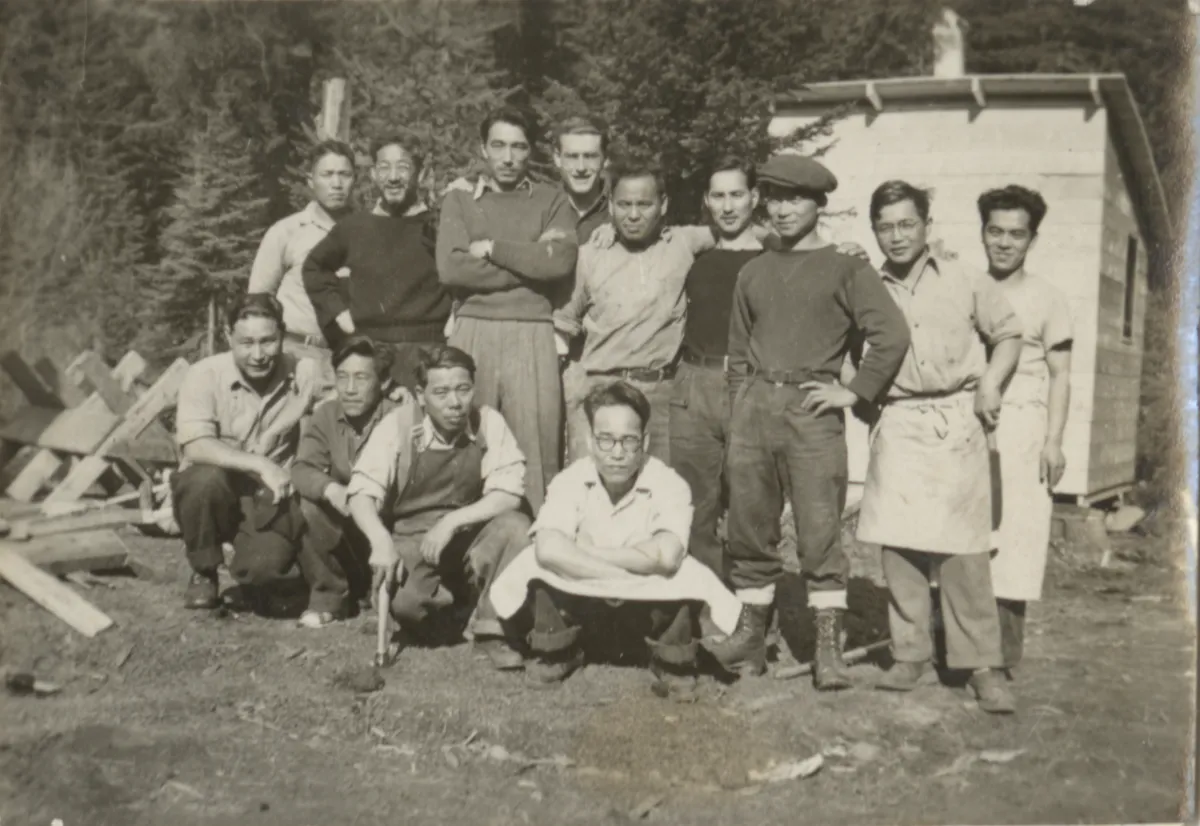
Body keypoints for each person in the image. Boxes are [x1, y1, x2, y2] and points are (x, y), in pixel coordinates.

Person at [705, 156, 911, 690]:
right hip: (754, 408)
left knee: (820, 534)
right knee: (750, 529)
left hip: (812, 411)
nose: (782, 208)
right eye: (772, 197)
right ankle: (752, 640)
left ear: (818, 204)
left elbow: (889, 332)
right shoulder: (753, 270)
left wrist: (853, 390)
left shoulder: (847, 267)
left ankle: (828, 649)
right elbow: (736, 350)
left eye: (795, 198)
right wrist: (740, 408)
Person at [857, 180, 1023, 714]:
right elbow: (845, 347)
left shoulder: (964, 277)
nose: (897, 235)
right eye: (886, 226)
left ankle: (981, 665)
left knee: (962, 550)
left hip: (957, 416)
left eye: (908, 223)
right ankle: (909, 654)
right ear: (875, 230)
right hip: (899, 418)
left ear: (927, 224)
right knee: (899, 545)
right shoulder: (864, 284)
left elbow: (1009, 336)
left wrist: (991, 385)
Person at [487, 381, 743, 699]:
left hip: (642, 597)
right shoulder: (570, 480)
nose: (617, 454)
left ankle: (672, 660)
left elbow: (666, 555)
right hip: (595, 592)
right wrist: (630, 561)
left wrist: (590, 554)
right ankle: (557, 650)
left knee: (684, 572)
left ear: (645, 441)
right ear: (589, 441)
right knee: (535, 561)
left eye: (629, 441)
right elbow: (549, 548)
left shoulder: (669, 483)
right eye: (606, 441)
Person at [347, 345, 532, 670]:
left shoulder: (488, 422)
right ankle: (459, 611)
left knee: (515, 526)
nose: (454, 403)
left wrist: (452, 522)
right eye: (441, 392)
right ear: (421, 395)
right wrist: (380, 542)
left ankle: (491, 630)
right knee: (409, 605)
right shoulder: (399, 426)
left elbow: (509, 493)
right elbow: (360, 493)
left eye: (463, 390)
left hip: (468, 533)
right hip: (412, 536)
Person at [437, 107, 578, 513]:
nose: (508, 157)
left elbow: (558, 263)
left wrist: (495, 251)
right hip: (472, 332)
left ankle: (535, 548)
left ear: (531, 151)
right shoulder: (460, 198)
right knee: (464, 439)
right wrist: (530, 270)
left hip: (531, 335)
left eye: (518, 147)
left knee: (534, 447)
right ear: (483, 148)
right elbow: (452, 268)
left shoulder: (551, 200)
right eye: (498, 145)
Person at [554, 161, 716, 465]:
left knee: (661, 489)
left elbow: (739, 231)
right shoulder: (590, 255)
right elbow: (562, 328)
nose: (632, 214)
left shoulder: (683, 243)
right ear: (611, 206)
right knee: (595, 489)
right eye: (624, 204)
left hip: (662, 394)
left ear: (663, 204)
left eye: (644, 204)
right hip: (600, 392)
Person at [171, 294, 322, 611]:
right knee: (202, 480)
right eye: (246, 342)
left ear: (282, 335)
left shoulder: (305, 371)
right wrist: (259, 463)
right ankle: (203, 569)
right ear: (227, 337)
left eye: (268, 341)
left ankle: (266, 557)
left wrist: (393, 391)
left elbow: (353, 388)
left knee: (264, 572)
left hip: (268, 497)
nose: (257, 354)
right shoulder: (204, 375)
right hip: (216, 491)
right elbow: (195, 445)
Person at [976, 185, 1073, 676]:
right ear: (983, 233)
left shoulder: (1046, 298)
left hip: (1023, 425)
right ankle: (952, 646)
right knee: (961, 534)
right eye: (996, 231)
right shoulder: (967, 287)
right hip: (970, 422)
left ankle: (1001, 657)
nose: (1005, 243)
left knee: (1016, 537)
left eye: (1017, 234)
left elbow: (1060, 375)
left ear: (1032, 239)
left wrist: (1054, 440)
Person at [668, 155, 766, 579]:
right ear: (707, 201)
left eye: (737, 195)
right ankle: (703, 607)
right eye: (718, 196)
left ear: (755, 197)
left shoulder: (773, 257)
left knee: (751, 503)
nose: (728, 207)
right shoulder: (693, 256)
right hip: (695, 382)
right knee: (695, 504)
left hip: (749, 385)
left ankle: (754, 613)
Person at [303, 136, 452, 391]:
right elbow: (314, 267)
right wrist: (339, 313)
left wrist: (456, 315)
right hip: (368, 354)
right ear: (373, 174)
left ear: (421, 173)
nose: (393, 177)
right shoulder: (355, 227)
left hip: (426, 353)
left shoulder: (438, 226)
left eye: (403, 168)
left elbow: (464, 272)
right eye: (384, 168)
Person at [290, 336, 399, 628]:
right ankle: (329, 598)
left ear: (384, 382)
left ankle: (383, 595)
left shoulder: (400, 417)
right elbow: (302, 468)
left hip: (391, 525)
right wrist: (331, 488)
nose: (349, 389)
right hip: (349, 524)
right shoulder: (326, 414)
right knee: (309, 504)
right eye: (342, 377)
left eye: (361, 378)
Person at [248, 140, 356, 390]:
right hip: (293, 356)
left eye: (345, 175)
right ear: (310, 180)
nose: (336, 184)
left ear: (355, 179)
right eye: (327, 175)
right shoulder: (287, 232)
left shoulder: (367, 233)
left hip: (348, 359)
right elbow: (258, 302)